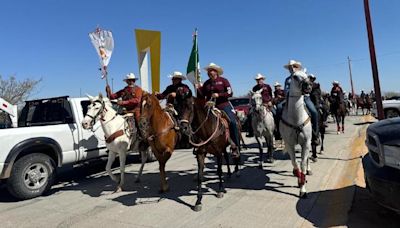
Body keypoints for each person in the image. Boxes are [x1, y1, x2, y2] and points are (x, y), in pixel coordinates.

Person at [196, 62, 240, 158]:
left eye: (211, 70)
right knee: (200, 120)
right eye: (208, 71)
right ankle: (200, 145)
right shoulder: (206, 83)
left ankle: (235, 146)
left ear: (216, 72)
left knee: (232, 122)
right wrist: (198, 88)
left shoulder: (224, 81)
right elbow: (201, 96)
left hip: (223, 105)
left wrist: (219, 95)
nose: (209, 72)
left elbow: (230, 93)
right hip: (210, 106)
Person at [279, 60, 320, 145]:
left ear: (297, 67)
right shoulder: (288, 79)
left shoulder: (303, 76)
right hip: (290, 99)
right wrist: (288, 94)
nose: (292, 68)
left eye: (294, 66)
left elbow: (308, 86)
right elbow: (286, 90)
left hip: (304, 98)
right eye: (290, 67)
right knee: (279, 108)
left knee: (314, 112)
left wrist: (304, 91)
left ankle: (315, 135)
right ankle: (280, 132)